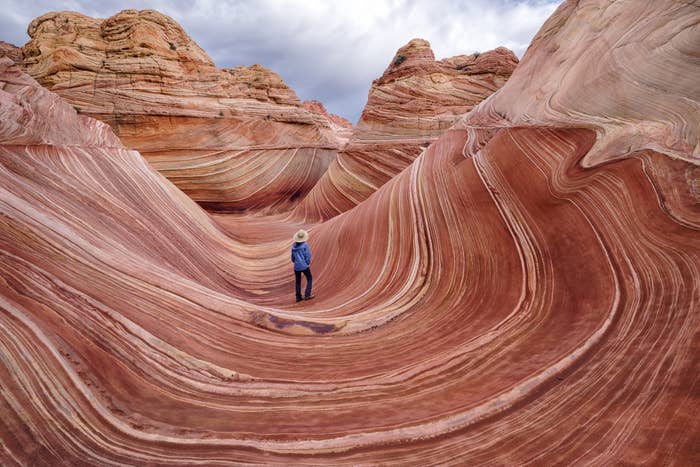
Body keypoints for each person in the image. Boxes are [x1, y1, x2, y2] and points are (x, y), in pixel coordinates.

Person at [291, 229, 314, 302]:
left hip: (296, 267)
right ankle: (307, 295)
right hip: (304, 265)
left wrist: (295, 262)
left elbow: (292, 257)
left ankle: (298, 297)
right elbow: (307, 255)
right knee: (309, 278)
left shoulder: (293, 246)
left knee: (298, 281)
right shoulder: (305, 245)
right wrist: (307, 262)